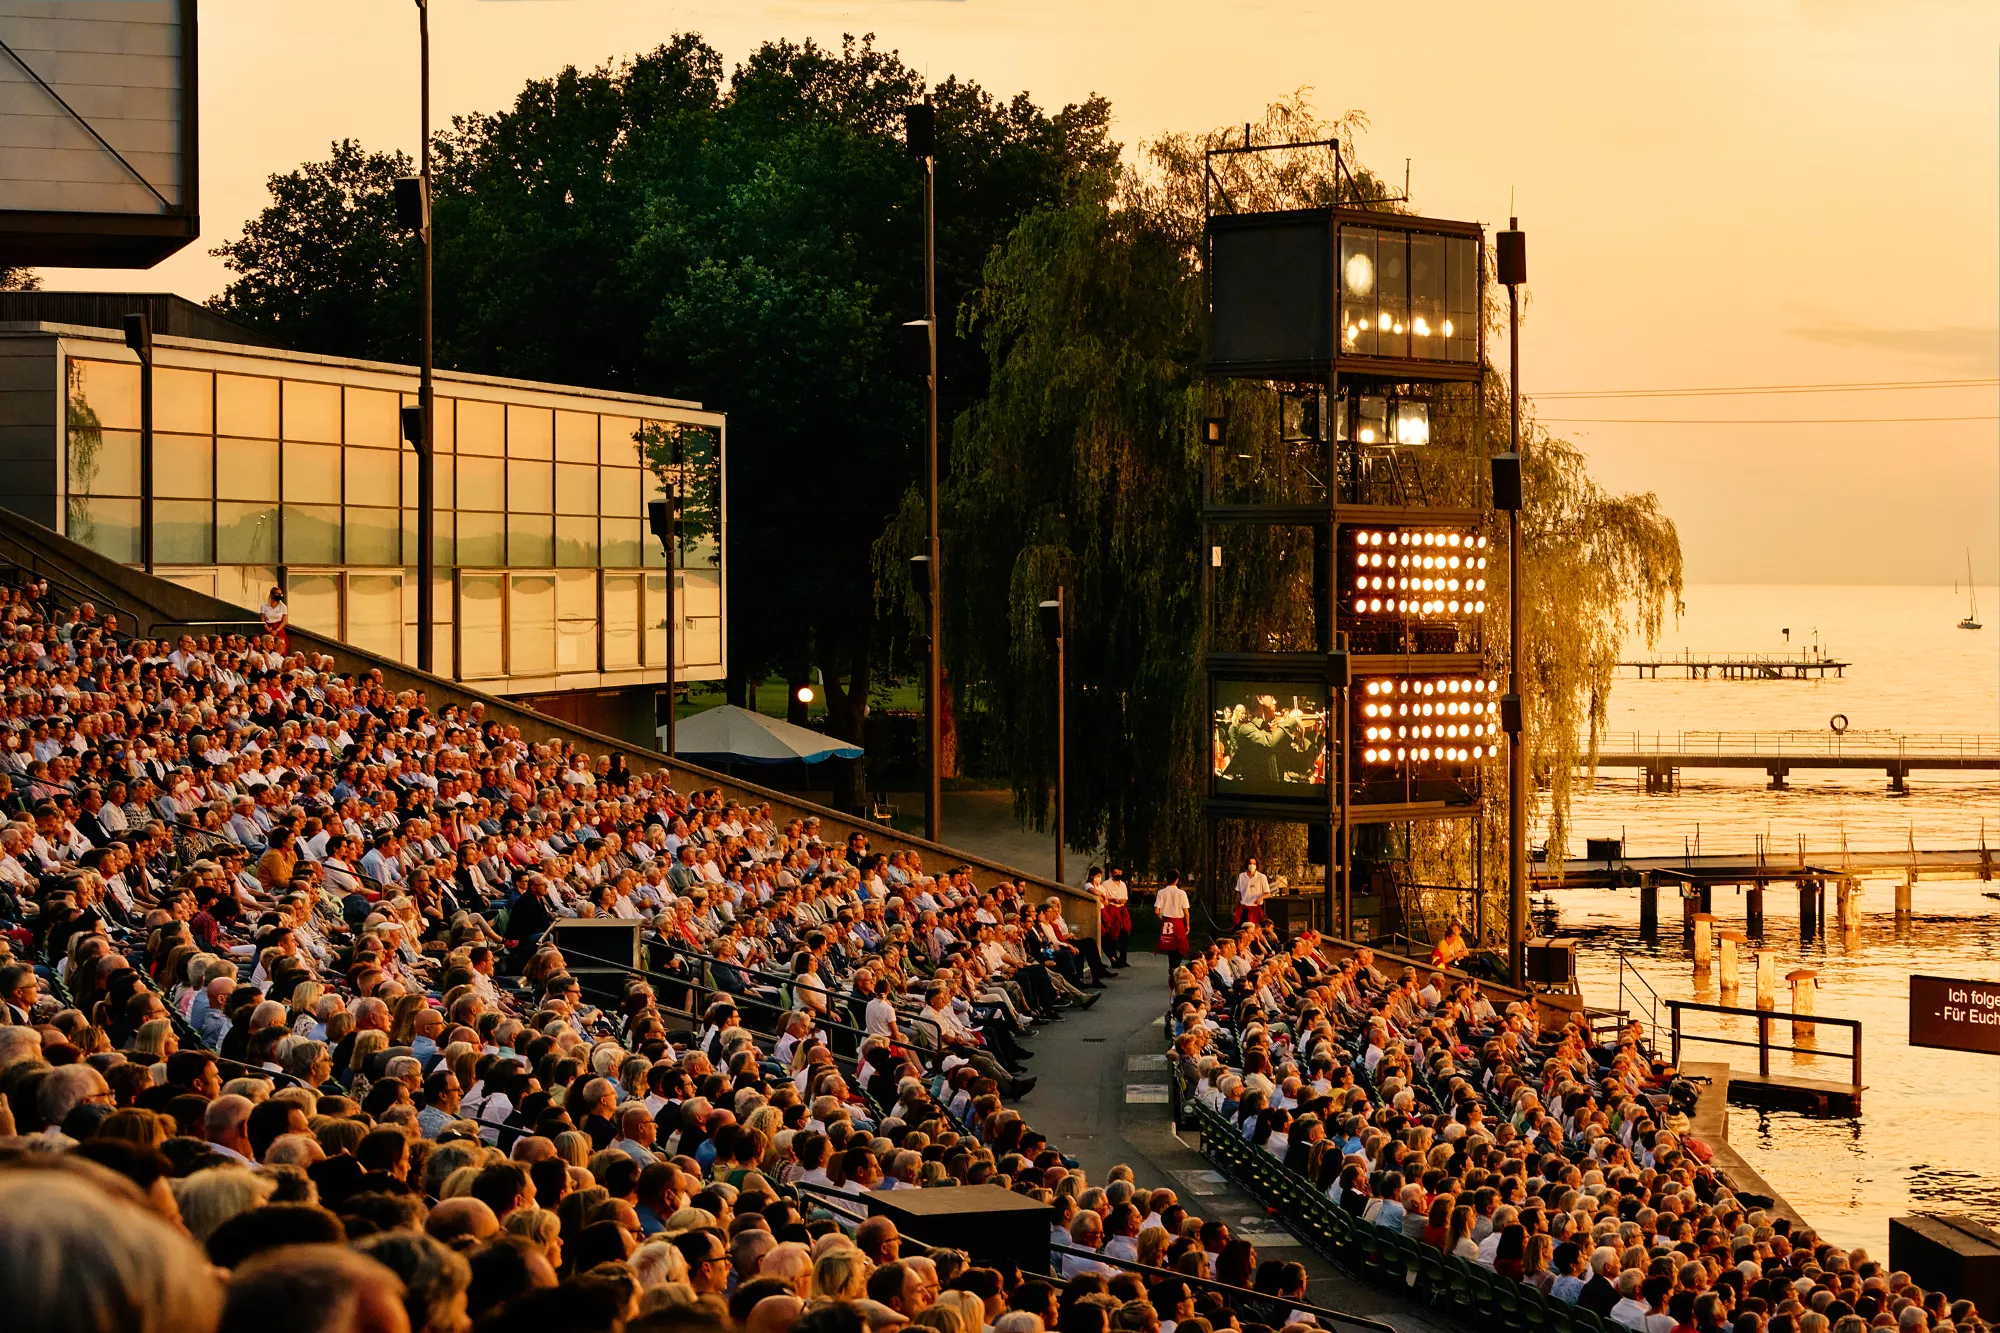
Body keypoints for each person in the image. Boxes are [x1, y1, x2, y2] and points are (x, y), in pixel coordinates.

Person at [1154, 871, 1190, 981]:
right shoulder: (1181, 893)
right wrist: (1187, 924)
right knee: (1181, 945)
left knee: (1170, 946)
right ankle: (1175, 968)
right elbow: (1186, 911)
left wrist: (1162, 918)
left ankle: (1172, 968)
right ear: (1177, 879)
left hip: (1167, 922)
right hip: (1178, 922)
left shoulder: (1161, 892)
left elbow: (1156, 910)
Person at [1232, 859, 1268, 928]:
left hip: (1256, 909)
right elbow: (1238, 893)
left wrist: (1260, 898)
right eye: (1250, 863)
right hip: (1244, 908)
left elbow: (1268, 893)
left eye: (1254, 864)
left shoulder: (1262, 877)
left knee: (1256, 929)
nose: (1252, 865)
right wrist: (1236, 908)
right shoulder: (1242, 876)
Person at [259, 586, 290, 655]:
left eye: (280, 594)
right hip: (267, 628)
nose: (279, 596)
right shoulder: (264, 606)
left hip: (278, 628)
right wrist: (269, 630)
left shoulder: (283, 606)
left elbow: (285, 621)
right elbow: (262, 620)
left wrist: (277, 630)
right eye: (277, 594)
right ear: (272, 595)